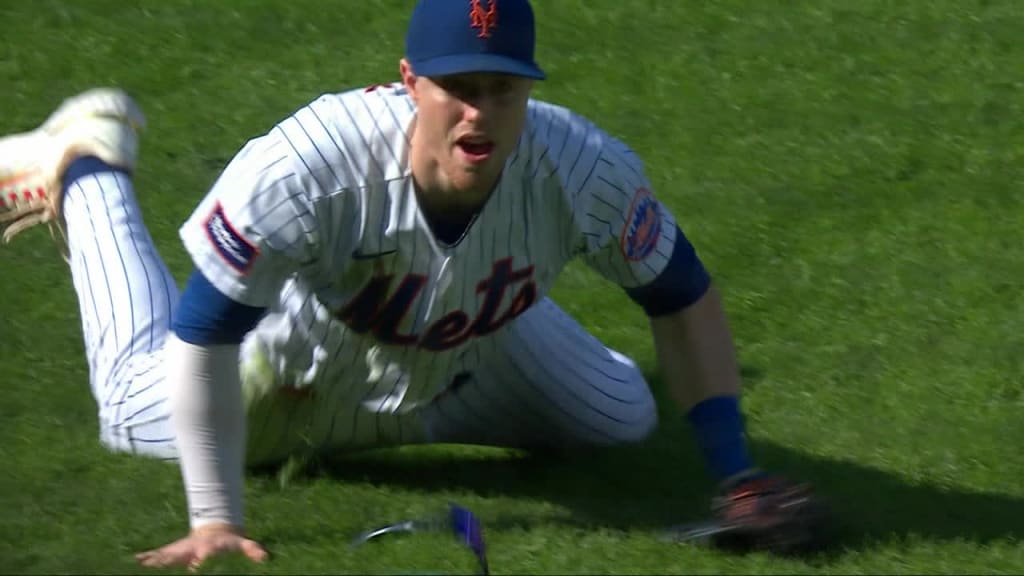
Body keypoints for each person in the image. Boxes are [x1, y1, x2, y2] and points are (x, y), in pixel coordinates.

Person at [0, 0, 828, 569]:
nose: (480, 113)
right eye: (458, 90)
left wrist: (737, 472)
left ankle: (483, 342)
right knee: (125, 407)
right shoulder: (307, 168)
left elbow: (681, 294)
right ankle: (87, 169)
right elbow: (207, 328)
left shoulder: (581, 168)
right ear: (410, 82)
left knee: (621, 416)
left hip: (477, 354)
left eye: (501, 90)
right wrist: (215, 515)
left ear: (528, 89)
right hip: (295, 368)